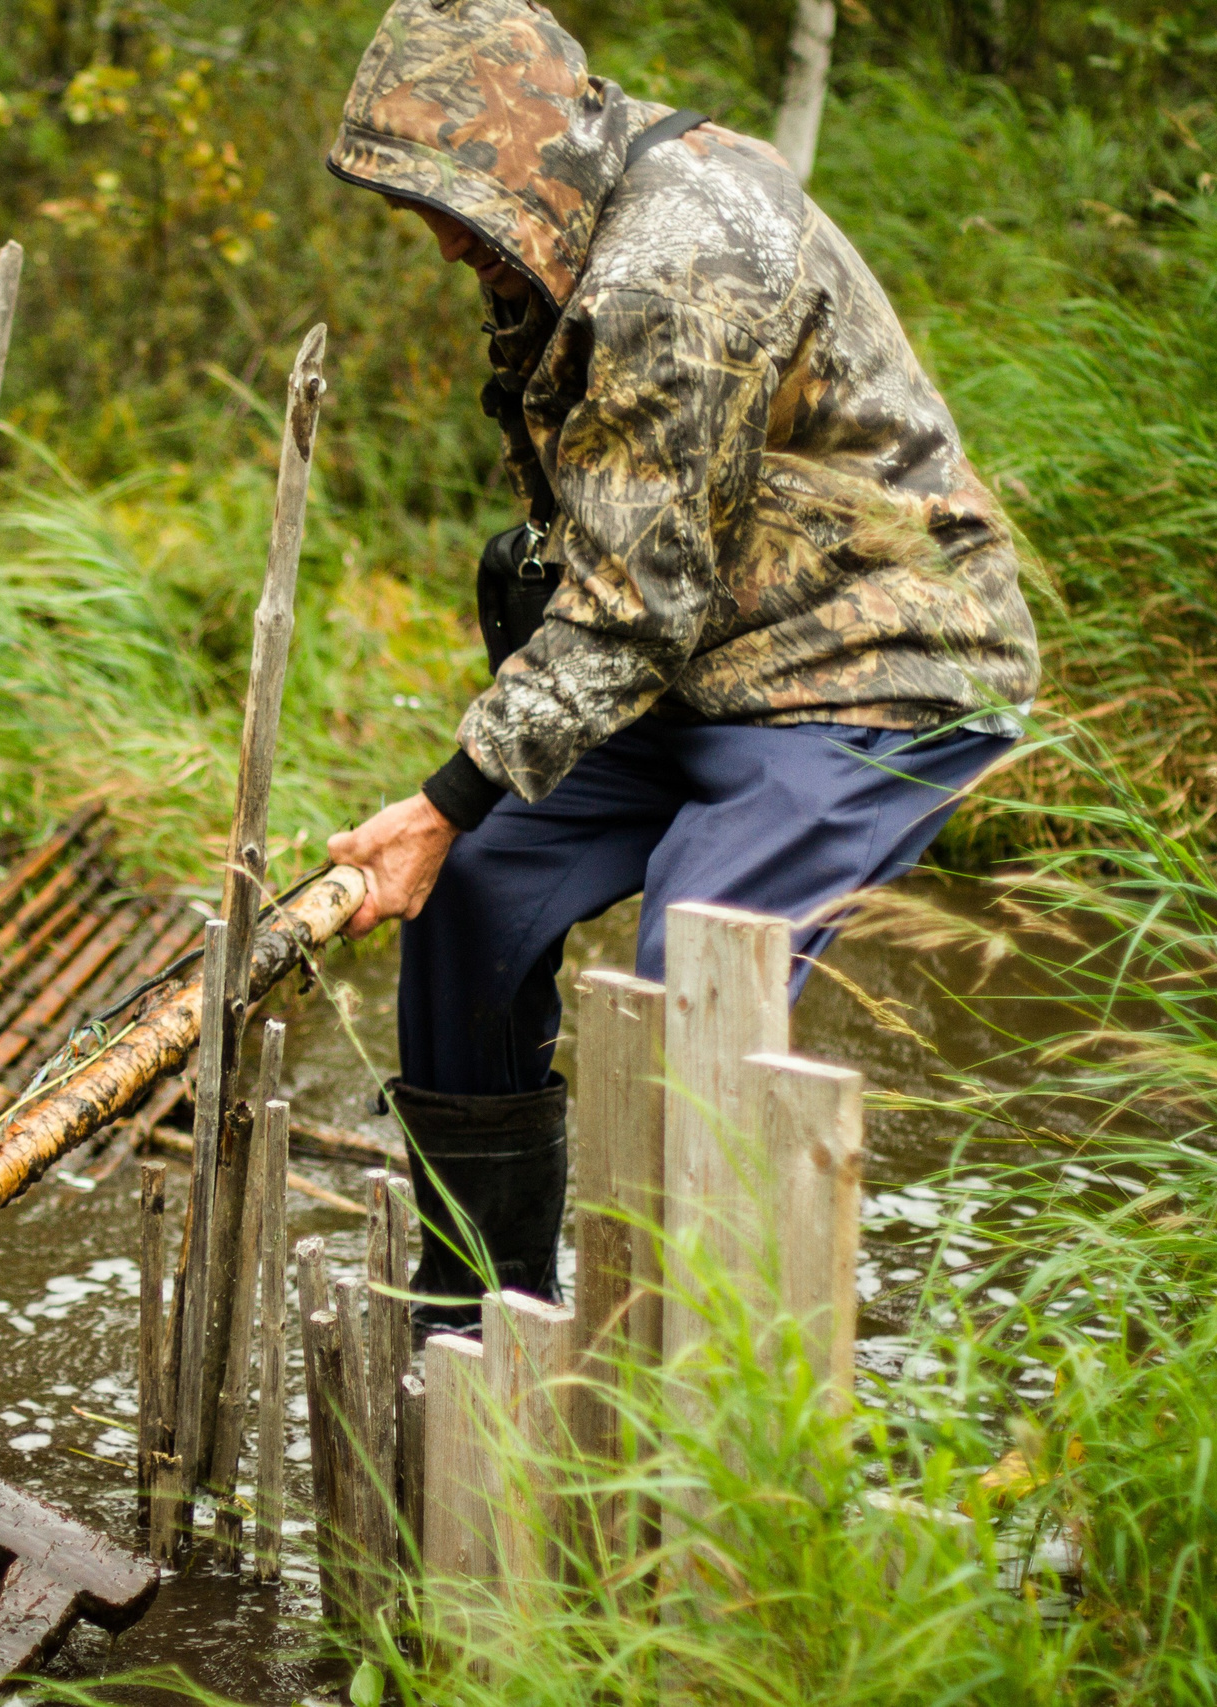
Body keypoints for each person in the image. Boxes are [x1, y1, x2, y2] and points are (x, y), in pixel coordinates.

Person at [320, 0, 1040, 1332]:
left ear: (520, 151)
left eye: (447, 201)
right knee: (472, 895)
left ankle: (671, 1387)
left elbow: (638, 601)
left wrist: (442, 794)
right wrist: (459, 823)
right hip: (707, 652)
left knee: (683, 990)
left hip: (873, 665)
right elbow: (628, 557)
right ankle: (480, 1335)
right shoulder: (575, 221)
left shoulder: (675, 259)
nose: (433, 236)